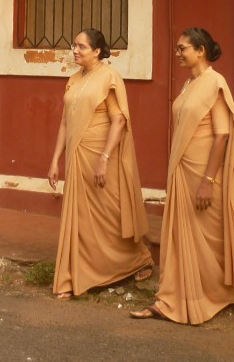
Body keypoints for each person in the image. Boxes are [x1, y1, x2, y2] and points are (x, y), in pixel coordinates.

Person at [131, 27, 234, 323]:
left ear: (200, 50)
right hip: (184, 169)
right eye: (178, 49)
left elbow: (221, 136)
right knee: (183, 238)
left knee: (210, 238)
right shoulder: (190, 83)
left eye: (183, 48)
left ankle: (223, 291)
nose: (178, 53)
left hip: (204, 173)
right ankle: (171, 300)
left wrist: (208, 181)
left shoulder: (214, 82)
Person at [48, 28, 153, 299]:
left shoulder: (109, 77)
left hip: (100, 156)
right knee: (81, 218)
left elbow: (118, 120)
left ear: (97, 51)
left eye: (82, 47)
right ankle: (78, 274)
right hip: (76, 157)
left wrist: (104, 159)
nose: (76, 50)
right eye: (74, 45)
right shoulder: (73, 79)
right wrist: (54, 161)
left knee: (109, 214)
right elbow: (64, 122)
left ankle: (138, 259)